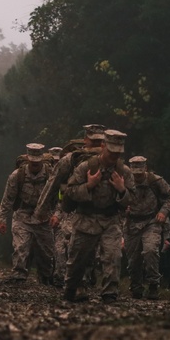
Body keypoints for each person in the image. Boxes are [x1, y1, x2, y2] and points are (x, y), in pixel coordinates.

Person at [62, 130, 135, 303]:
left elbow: (133, 199)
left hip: (110, 220)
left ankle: (109, 293)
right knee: (78, 260)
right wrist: (89, 185)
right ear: (103, 147)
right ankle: (72, 288)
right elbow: (70, 192)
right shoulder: (86, 167)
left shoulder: (124, 171)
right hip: (86, 219)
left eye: (118, 153)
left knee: (113, 256)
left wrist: (122, 189)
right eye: (111, 152)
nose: (114, 156)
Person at [34, 125, 106, 287]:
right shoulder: (72, 159)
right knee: (70, 246)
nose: (95, 144)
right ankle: (73, 281)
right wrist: (42, 209)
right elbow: (53, 184)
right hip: (75, 211)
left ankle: (86, 278)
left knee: (96, 253)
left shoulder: (110, 159)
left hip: (103, 214)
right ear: (86, 139)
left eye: (99, 141)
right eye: (93, 140)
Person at [0, 143, 55, 283]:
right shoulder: (17, 176)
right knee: (21, 246)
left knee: (46, 253)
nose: (35, 164)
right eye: (32, 161)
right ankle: (19, 275)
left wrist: (57, 214)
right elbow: (8, 198)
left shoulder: (51, 175)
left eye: (37, 161)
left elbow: (59, 196)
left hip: (43, 217)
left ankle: (46, 277)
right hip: (22, 215)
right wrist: (2, 219)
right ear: (28, 159)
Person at [124, 156, 170, 300]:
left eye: (140, 173)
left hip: (151, 221)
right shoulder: (124, 181)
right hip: (131, 224)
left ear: (145, 169)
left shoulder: (156, 181)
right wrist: (123, 207)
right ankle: (136, 288)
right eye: (135, 173)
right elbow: (115, 198)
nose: (137, 176)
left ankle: (153, 285)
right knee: (133, 260)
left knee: (150, 251)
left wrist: (163, 211)